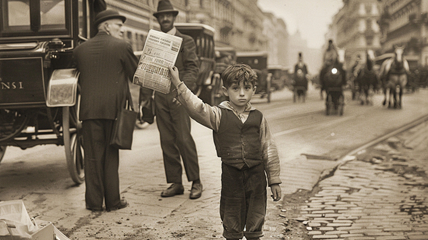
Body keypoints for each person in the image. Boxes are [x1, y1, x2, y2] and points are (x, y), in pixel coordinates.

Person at [168, 63, 282, 240]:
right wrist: (178, 84)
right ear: (225, 90)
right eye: (236, 88)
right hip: (231, 176)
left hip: (257, 177)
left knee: (256, 214)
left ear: (254, 89)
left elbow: (268, 148)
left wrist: (274, 180)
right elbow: (196, 107)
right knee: (231, 216)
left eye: (247, 88)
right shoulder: (218, 115)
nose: (242, 93)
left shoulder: (259, 117)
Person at [72, 9, 142, 212]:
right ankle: (113, 202)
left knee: (92, 158)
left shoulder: (80, 50)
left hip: (89, 111)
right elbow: (135, 75)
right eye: (118, 25)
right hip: (114, 111)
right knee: (111, 156)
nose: (121, 29)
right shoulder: (122, 46)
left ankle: (94, 203)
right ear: (105, 26)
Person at [152, 0, 202, 199]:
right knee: (167, 141)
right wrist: (147, 99)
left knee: (183, 138)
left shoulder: (185, 41)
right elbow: (148, 70)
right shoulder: (153, 41)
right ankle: (176, 183)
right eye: (161, 16)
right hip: (160, 97)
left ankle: (196, 181)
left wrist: (181, 90)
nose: (164, 18)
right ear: (158, 19)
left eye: (168, 16)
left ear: (174, 18)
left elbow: (193, 68)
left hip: (178, 96)